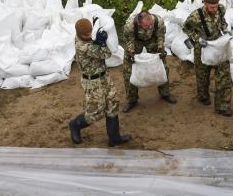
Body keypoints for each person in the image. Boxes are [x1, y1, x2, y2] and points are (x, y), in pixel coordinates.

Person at [68, 18, 131, 146]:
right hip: (92, 83)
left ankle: (114, 138)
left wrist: (97, 38)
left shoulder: (87, 40)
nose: (89, 36)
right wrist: (101, 43)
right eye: (86, 34)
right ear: (79, 34)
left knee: (112, 104)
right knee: (95, 112)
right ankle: (75, 125)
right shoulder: (83, 46)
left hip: (104, 77)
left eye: (90, 32)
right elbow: (106, 54)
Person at [182, 0, 233, 116]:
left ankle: (222, 106)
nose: (214, 9)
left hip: (218, 45)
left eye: (215, 6)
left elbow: (222, 21)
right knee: (202, 75)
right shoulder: (195, 16)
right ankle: (203, 96)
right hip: (203, 47)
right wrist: (197, 38)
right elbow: (186, 28)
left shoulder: (220, 9)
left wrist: (225, 29)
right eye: (211, 7)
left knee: (224, 76)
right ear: (205, 4)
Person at [122, 10, 177, 113]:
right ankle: (131, 99)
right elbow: (129, 41)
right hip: (135, 42)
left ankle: (165, 93)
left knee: (163, 68)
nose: (150, 27)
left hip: (152, 41)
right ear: (139, 23)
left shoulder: (158, 21)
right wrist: (132, 53)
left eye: (151, 25)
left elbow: (160, 36)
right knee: (128, 71)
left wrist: (160, 49)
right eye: (146, 26)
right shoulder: (130, 25)